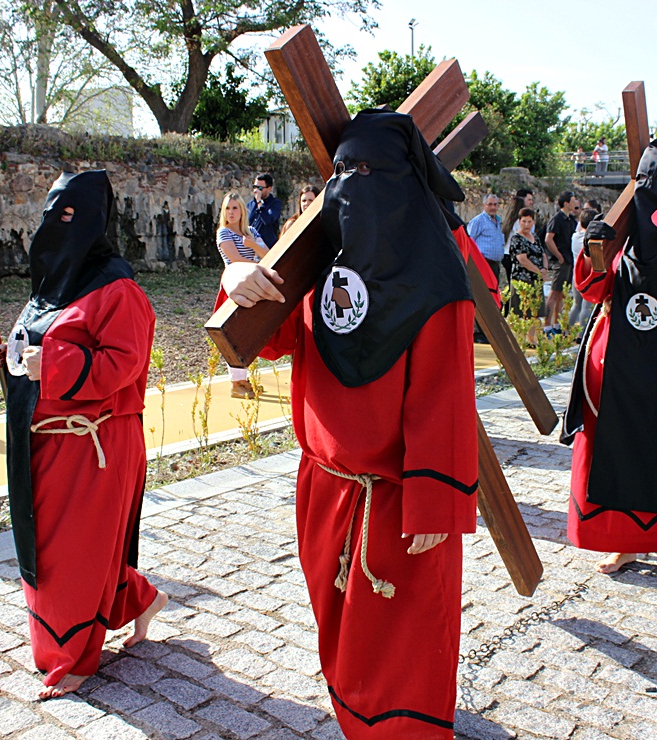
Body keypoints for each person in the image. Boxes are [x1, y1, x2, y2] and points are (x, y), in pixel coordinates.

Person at [220, 110, 477, 738]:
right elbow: (270, 336)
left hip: (395, 503)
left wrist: (436, 506)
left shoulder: (438, 276)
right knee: (340, 638)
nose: (352, 185)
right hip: (325, 488)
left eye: (368, 170)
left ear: (403, 180)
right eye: (341, 170)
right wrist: (236, 280)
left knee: (406, 646)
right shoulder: (317, 261)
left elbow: (445, 397)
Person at [0, 171, 167, 699]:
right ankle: (140, 599)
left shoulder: (120, 289)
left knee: (73, 556)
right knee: (45, 547)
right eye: (52, 213)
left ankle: (74, 657)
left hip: (95, 446)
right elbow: (37, 345)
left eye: (71, 215)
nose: (57, 226)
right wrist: (14, 356)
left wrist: (53, 362)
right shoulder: (49, 287)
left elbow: (125, 365)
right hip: (41, 443)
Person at [560, 137, 657, 574]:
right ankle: (624, 540)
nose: (652, 192)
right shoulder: (623, 238)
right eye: (644, 182)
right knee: (615, 448)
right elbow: (593, 289)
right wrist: (594, 250)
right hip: (617, 364)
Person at [217, 191, 269, 399]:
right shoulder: (224, 233)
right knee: (235, 334)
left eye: (235, 208)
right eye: (228, 208)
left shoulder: (252, 232)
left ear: (242, 210)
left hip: (252, 284)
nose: (231, 212)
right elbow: (235, 259)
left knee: (250, 333)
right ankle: (237, 382)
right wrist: (259, 264)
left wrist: (253, 245)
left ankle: (245, 379)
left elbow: (269, 254)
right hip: (234, 285)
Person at [508, 207, 547, 344]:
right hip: (522, 279)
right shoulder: (516, 239)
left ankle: (531, 340)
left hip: (535, 279)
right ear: (519, 221)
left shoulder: (535, 237)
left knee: (534, 313)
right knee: (520, 312)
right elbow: (522, 259)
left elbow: (542, 254)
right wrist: (537, 270)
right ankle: (517, 339)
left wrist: (544, 269)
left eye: (529, 221)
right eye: (523, 221)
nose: (526, 224)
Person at [544, 191, 579, 334]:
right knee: (554, 293)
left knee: (562, 294)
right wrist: (558, 256)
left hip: (569, 260)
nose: (574, 203)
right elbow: (548, 238)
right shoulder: (557, 219)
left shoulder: (571, 220)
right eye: (572, 200)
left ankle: (556, 323)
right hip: (562, 260)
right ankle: (546, 325)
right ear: (566, 203)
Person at [567, 209, 599, 330]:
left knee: (576, 305)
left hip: (576, 273)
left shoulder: (575, 236)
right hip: (588, 274)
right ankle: (582, 332)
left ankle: (567, 330)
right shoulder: (591, 241)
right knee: (586, 306)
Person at [466, 193, 505, 281]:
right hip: (483, 264)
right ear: (484, 205)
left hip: (495, 265)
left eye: (495, 204)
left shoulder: (498, 222)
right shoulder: (478, 221)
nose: (493, 207)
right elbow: (468, 241)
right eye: (490, 204)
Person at [247, 172, 282, 248]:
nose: (256, 191)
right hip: (251, 249)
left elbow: (268, 220)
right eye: (255, 187)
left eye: (260, 188)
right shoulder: (250, 204)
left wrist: (259, 202)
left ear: (269, 188)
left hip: (268, 248)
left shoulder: (275, 204)